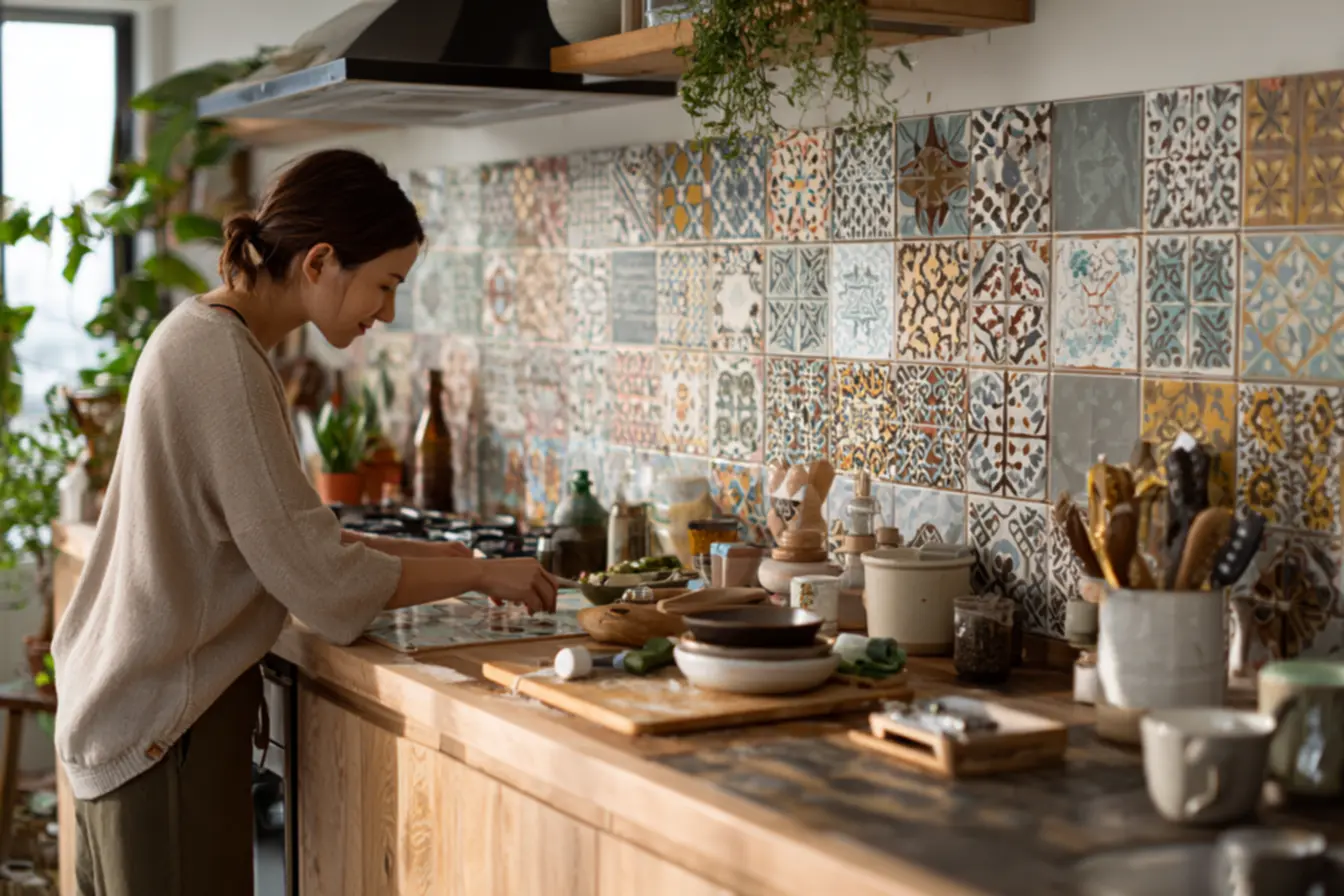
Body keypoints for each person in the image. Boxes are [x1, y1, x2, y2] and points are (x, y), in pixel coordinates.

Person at [52, 148, 559, 896]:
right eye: (384, 285)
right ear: (320, 261)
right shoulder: (222, 361)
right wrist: (481, 571)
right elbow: (321, 584)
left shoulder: (204, 333)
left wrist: (447, 554)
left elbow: (290, 537)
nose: (386, 312)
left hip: (130, 723)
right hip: (163, 742)